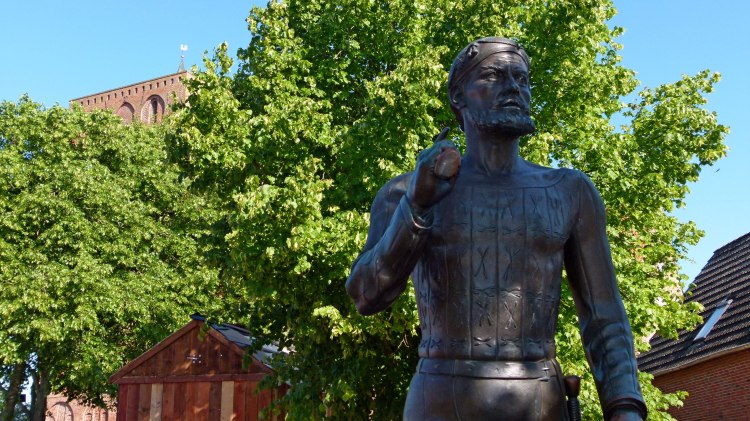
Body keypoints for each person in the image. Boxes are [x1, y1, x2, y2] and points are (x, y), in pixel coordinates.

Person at [345, 37, 647, 420]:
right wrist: (417, 208)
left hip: (539, 402)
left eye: (521, 79)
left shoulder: (569, 192)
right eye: (493, 75)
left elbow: (604, 315)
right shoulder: (407, 191)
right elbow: (366, 296)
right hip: (439, 401)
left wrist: (623, 407)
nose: (513, 87)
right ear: (459, 96)